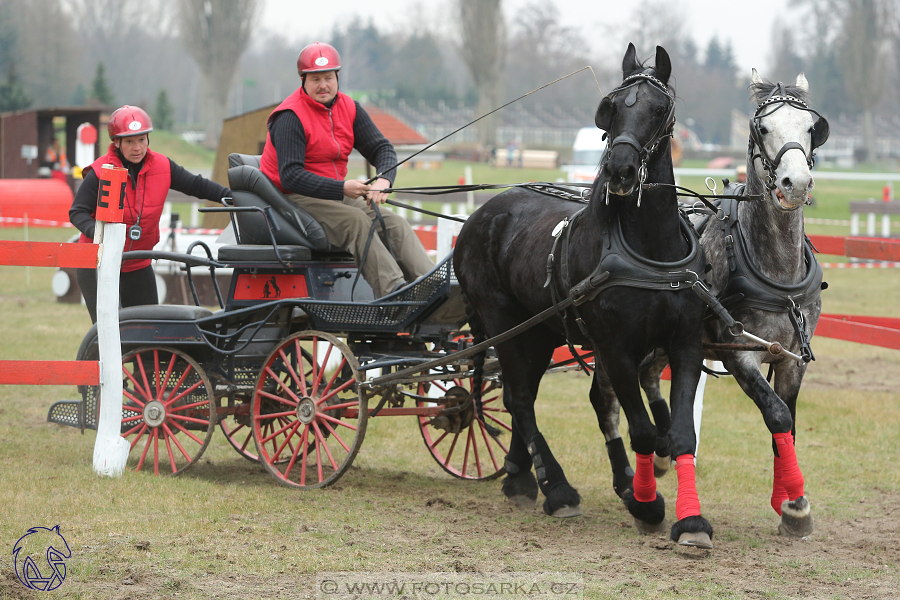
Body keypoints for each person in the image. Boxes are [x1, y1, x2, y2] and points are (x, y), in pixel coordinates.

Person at [260, 42, 434, 298]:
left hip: (332, 192)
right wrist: (341, 187)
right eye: (316, 79)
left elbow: (382, 149)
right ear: (303, 80)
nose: (323, 85)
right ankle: (395, 292)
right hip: (289, 197)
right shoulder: (289, 117)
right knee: (356, 222)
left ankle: (430, 286)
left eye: (328, 78)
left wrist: (384, 180)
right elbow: (291, 176)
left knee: (393, 222)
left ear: (337, 77)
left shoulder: (349, 108)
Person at [69, 105, 231, 323]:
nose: (137, 148)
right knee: (109, 330)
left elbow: (196, 185)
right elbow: (77, 212)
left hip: (138, 262)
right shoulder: (101, 171)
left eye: (142, 140)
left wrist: (229, 196)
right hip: (98, 263)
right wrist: (101, 234)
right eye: (129, 141)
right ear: (116, 142)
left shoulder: (163, 166)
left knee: (149, 329)